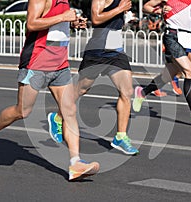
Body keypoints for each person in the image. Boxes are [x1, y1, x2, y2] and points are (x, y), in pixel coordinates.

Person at [0, 0, 99, 181]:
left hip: (60, 64)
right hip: (36, 62)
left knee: (70, 111)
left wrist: (72, 23)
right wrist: (64, 17)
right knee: (23, 111)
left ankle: (76, 163)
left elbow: (56, 27)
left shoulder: (65, 1)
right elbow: (32, 23)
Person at [48, 0, 139, 155]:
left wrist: (125, 16)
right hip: (97, 51)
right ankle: (57, 117)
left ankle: (121, 136)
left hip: (116, 52)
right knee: (80, 89)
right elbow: (96, 19)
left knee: (127, 92)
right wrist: (120, 9)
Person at [133, 0, 191, 126]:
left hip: (187, 36)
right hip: (173, 36)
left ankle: (142, 93)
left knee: (168, 75)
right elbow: (145, 7)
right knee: (190, 71)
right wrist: (159, 11)